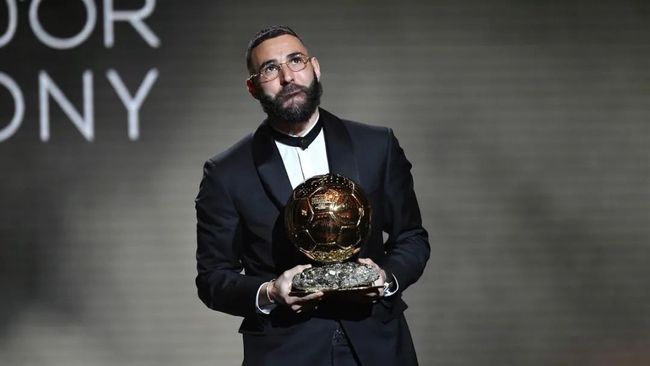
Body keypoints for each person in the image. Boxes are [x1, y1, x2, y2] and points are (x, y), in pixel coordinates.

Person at [195, 25, 430, 366]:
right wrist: (270, 292)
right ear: (252, 87)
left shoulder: (376, 146)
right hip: (285, 353)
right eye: (270, 68)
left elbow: (411, 237)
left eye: (296, 60)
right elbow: (213, 278)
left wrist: (386, 277)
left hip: (378, 346)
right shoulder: (226, 172)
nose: (288, 76)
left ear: (315, 67)